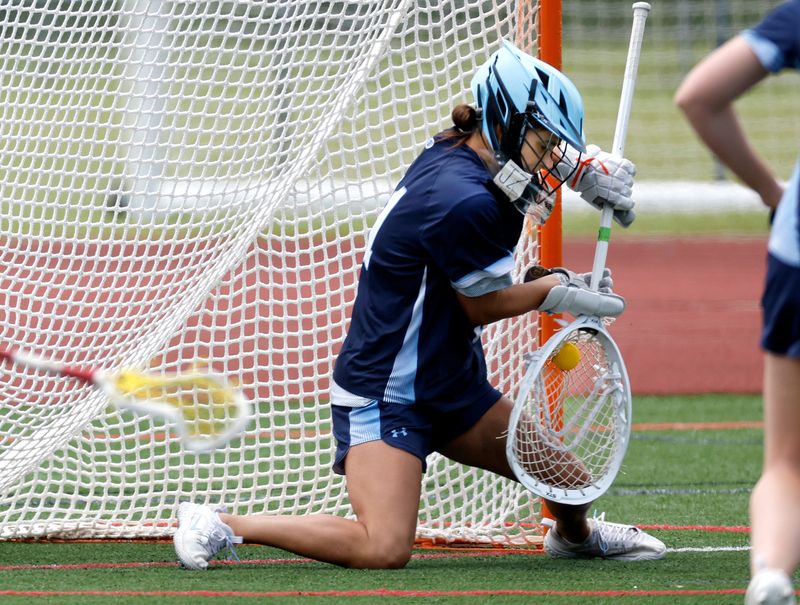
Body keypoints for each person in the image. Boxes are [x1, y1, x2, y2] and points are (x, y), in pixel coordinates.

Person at [173, 40, 666, 570]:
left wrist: (584, 173)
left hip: (450, 385)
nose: (550, 157)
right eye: (544, 142)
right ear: (504, 122)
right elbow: (482, 304)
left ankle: (574, 538)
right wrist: (556, 289)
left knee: (569, 481)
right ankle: (222, 523)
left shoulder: (463, 149)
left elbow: (478, 253)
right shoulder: (464, 198)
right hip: (386, 393)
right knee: (383, 547)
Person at [675, 2, 800, 604]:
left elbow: (699, 96)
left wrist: (772, 191)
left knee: (786, 465)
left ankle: (771, 574)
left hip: (798, 247)